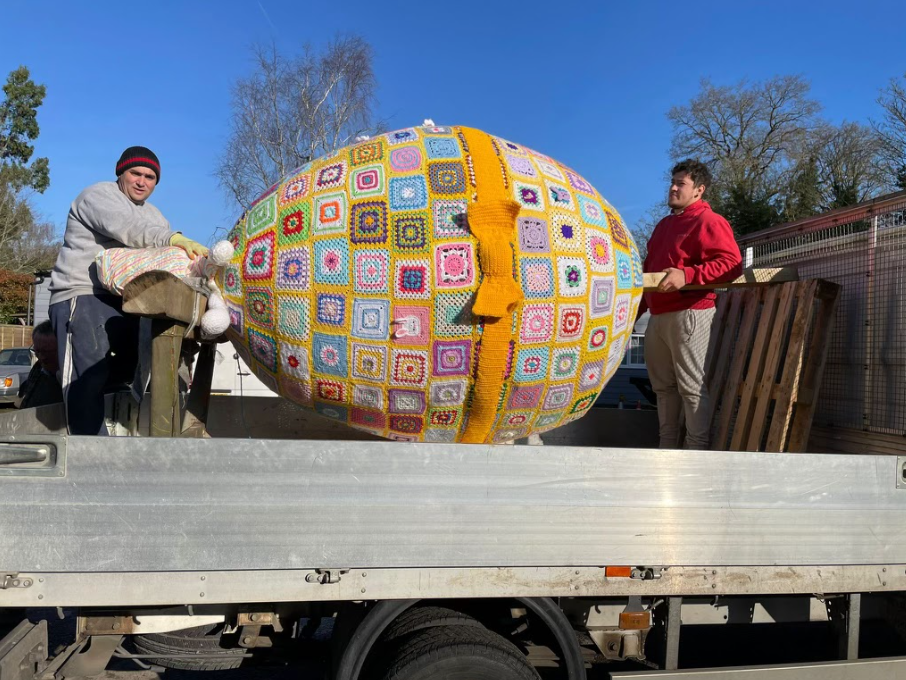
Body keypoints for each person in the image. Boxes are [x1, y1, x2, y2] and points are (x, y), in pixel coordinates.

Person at [48, 146, 208, 435]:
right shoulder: (98, 196)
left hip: (130, 300)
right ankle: (89, 455)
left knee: (131, 371)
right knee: (87, 379)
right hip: (84, 295)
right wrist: (173, 238)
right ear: (121, 172)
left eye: (149, 177)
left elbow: (162, 259)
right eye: (135, 173)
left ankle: (115, 439)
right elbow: (128, 228)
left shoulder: (156, 216)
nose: (141, 181)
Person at [641, 159, 742, 450]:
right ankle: (667, 450)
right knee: (663, 389)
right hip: (658, 316)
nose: (672, 188)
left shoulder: (709, 221)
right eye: (672, 182)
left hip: (691, 312)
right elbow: (649, 271)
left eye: (680, 184)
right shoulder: (664, 226)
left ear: (699, 190)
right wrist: (635, 313)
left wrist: (687, 274)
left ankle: (697, 452)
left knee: (691, 387)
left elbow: (732, 264)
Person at [18, 321, 63, 409]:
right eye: (37, 351)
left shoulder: (71, 377)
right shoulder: (37, 371)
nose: (42, 357)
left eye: (48, 352)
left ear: (62, 349)